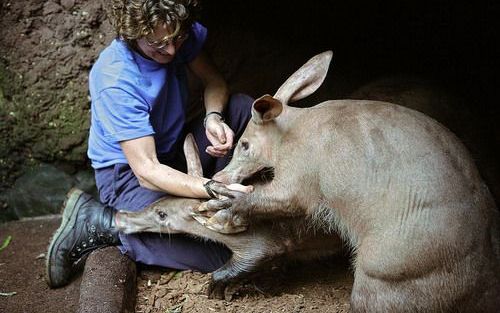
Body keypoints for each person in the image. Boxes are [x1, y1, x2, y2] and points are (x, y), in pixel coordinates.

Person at [46, 0, 253, 288]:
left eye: (177, 40)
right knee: (225, 253)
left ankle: (219, 203)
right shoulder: (115, 78)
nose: (171, 51)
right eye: (157, 46)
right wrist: (210, 189)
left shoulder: (175, 32)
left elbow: (214, 81)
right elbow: (147, 170)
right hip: (131, 179)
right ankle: (106, 224)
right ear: (133, 34)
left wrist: (213, 118)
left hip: (173, 151)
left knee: (242, 108)